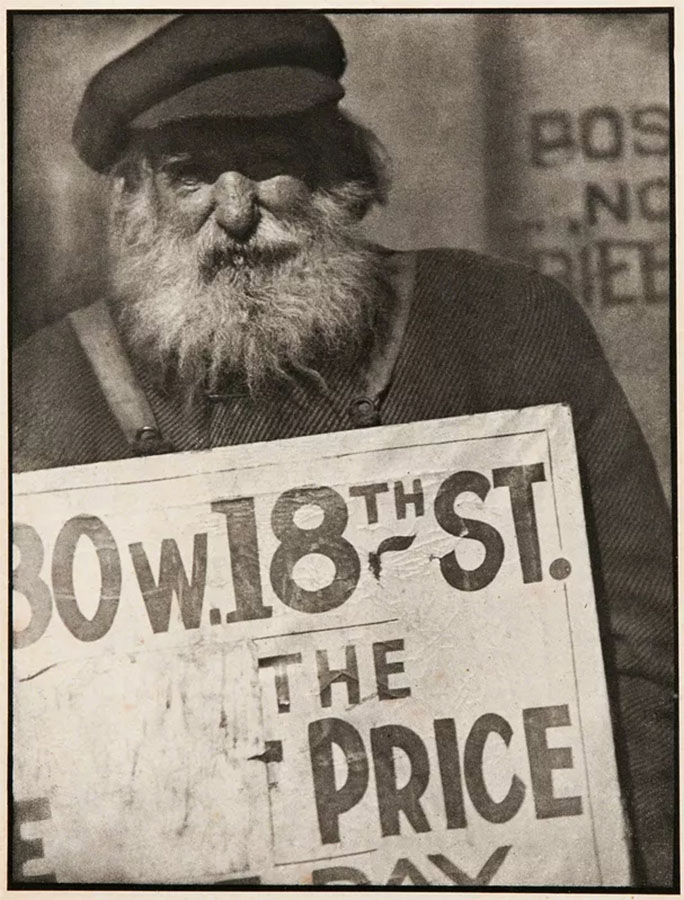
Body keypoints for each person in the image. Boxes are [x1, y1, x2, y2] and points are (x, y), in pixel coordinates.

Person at [11, 12, 673, 888]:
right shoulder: (43, 393)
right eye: (191, 176)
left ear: (340, 175)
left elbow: (643, 658)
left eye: (269, 162)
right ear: (133, 203)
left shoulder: (506, 326)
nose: (236, 213)